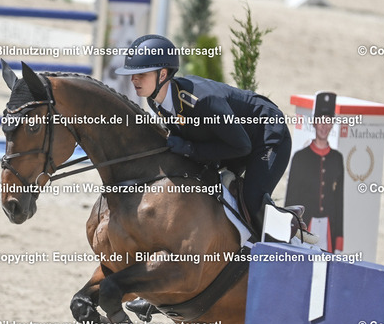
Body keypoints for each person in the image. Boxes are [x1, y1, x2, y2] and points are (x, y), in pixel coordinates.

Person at [115, 34, 292, 234]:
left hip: (266, 133)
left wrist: (189, 148)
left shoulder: (203, 101)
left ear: (162, 75)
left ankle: (291, 230)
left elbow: (242, 146)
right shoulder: (154, 100)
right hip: (232, 140)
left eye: (141, 74)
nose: (134, 80)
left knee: (253, 200)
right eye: (133, 74)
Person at [285, 93, 344, 252]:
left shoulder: (337, 158)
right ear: (314, 123)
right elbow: (291, 196)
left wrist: (339, 238)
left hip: (329, 227)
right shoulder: (300, 157)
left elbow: (339, 200)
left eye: (328, 121)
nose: (324, 126)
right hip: (305, 226)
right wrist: (288, 227)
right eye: (321, 121)